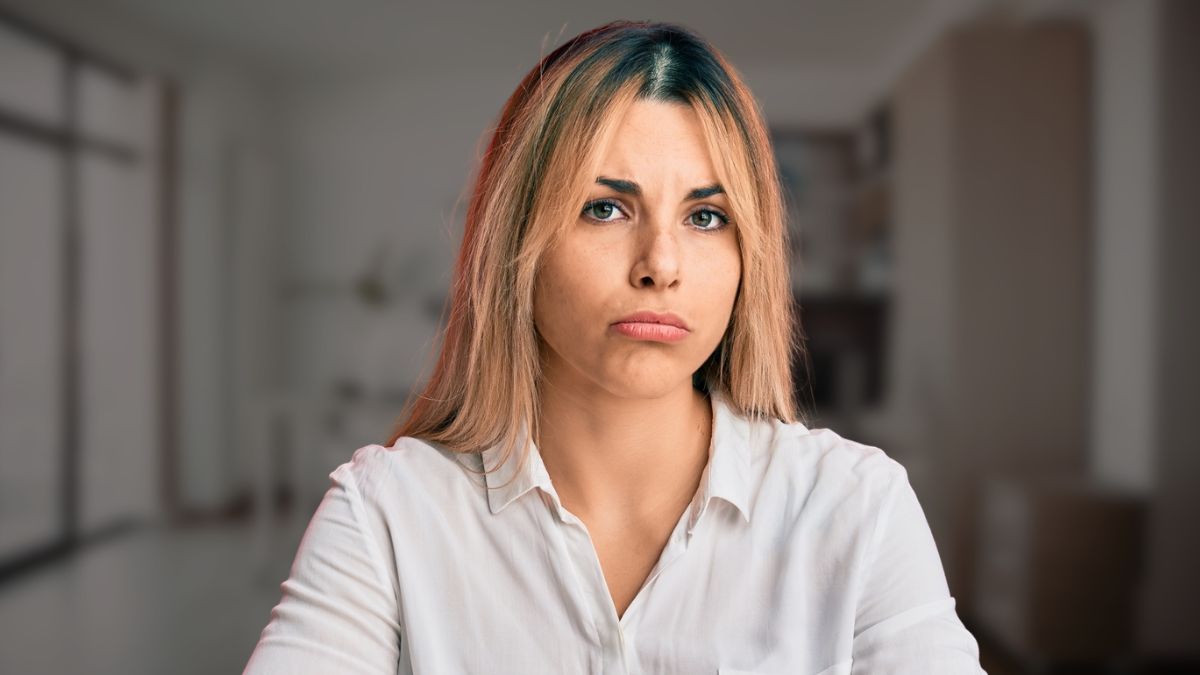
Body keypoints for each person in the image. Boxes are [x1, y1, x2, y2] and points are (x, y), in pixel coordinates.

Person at [243, 20, 987, 675]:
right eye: (604, 208)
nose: (660, 263)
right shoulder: (388, 513)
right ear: (517, 245)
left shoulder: (855, 508)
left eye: (705, 216)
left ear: (747, 255)